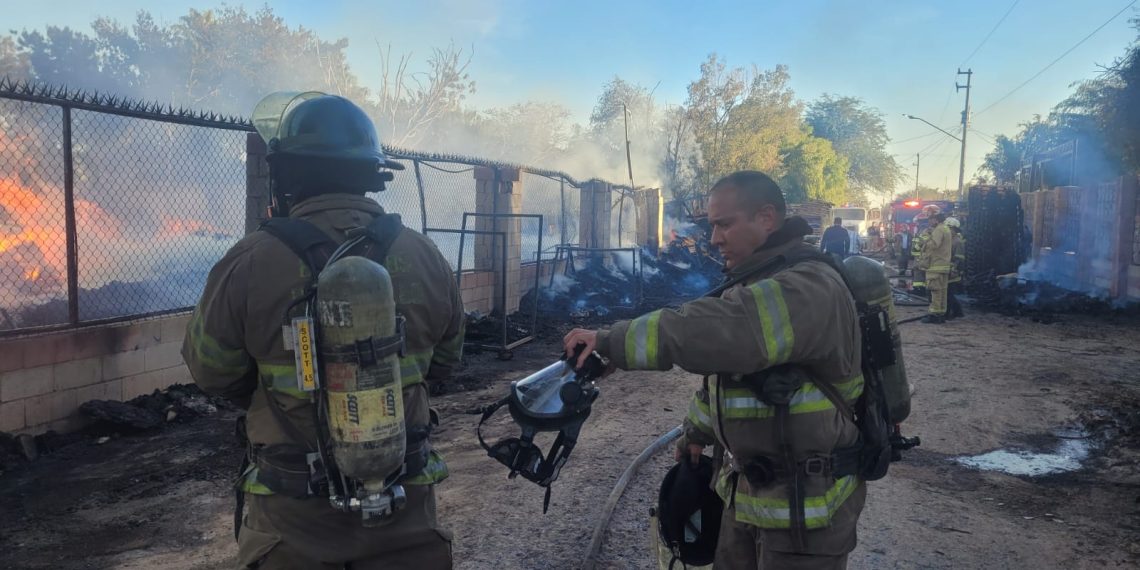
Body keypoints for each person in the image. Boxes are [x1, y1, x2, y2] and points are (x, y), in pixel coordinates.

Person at [182, 93, 463, 569]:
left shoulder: (250, 261)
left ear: (287, 175)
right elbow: (446, 364)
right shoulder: (425, 256)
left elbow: (212, 371)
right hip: (406, 514)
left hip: (294, 522)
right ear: (372, 175)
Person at [563, 171, 865, 570]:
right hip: (749, 497)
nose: (713, 238)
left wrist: (610, 340)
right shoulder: (759, 279)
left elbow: (721, 331)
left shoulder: (807, 286)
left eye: (725, 224)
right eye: (712, 226)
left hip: (806, 510)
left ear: (767, 217)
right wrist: (697, 431)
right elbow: (729, 376)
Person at [917, 212, 953, 324]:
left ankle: (934, 315)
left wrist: (925, 240)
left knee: (935, 291)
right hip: (944, 265)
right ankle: (941, 313)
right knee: (942, 291)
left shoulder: (938, 229)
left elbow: (933, 245)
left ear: (936, 220)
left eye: (930, 219)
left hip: (935, 266)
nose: (929, 222)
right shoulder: (946, 229)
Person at [945, 217, 966, 320]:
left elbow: (959, 259)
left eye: (949, 228)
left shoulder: (958, 242)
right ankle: (958, 312)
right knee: (947, 293)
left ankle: (950, 313)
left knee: (949, 294)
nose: (947, 230)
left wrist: (955, 270)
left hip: (953, 272)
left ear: (954, 229)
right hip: (946, 270)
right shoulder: (949, 240)